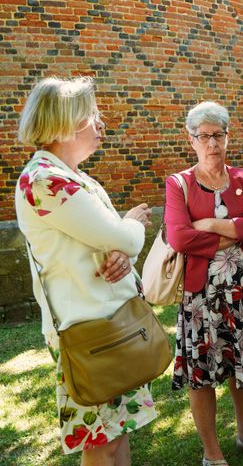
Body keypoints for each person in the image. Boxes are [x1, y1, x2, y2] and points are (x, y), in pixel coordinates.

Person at [15, 77, 158, 465]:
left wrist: (122, 252)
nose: (101, 124)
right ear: (65, 122)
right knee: (101, 441)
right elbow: (123, 237)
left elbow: (108, 244)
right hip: (86, 331)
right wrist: (131, 227)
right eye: (92, 115)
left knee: (117, 432)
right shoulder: (44, 181)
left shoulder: (75, 178)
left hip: (107, 322)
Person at [165, 101, 243, 466]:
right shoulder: (178, 184)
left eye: (218, 135)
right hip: (201, 298)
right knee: (203, 374)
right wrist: (237, 229)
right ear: (191, 140)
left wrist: (212, 225)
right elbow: (180, 238)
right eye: (204, 136)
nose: (212, 143)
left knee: (242, 367)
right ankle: (211, 452)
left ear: (227, 137)